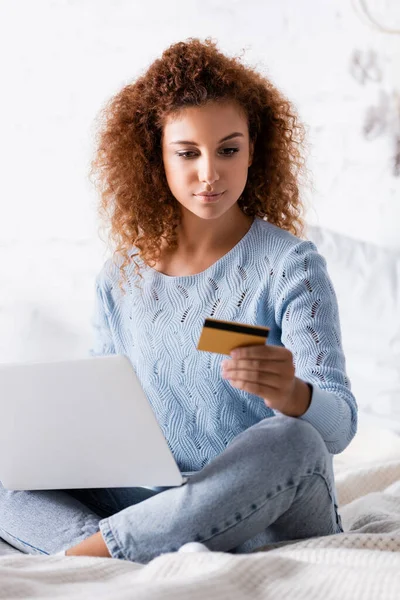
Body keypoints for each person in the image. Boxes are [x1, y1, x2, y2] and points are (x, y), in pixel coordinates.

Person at [0, 38, 357, 563]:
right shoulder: (119, 277)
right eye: (187, 153)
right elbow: (103, 412)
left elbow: (340, 427)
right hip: (153, 500)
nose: (209, 173)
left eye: (228, 150)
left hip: (263, 502)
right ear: (156, 156)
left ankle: (93, 557)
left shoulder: (291, 266)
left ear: (254, 151)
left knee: (294, 442)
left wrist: (294, 394)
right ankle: (135, 549)